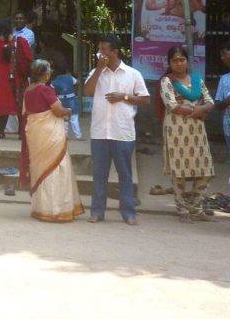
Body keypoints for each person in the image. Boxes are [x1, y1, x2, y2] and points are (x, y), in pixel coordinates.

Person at [83, 33, 150, 225]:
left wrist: (124, 97)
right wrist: (98, 70)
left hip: (123, 132)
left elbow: (145, 99)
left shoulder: (132, 74)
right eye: (99, 49)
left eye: (104, 49)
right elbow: (87, 92)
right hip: (99, 132)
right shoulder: (96, 72)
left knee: (125, 175)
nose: (100, 53)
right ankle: (97, 211)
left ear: (114, 51)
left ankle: (128, 212)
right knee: (99, 175)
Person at [21, 58, 84, 223]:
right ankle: (56, 209)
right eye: (48, 70)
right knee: (56, 168)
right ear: (43, 74)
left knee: (41, 169)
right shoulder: (46, 90)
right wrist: (69, 110)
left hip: (35, 133)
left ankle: (41, 209)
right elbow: (58, 111)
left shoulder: (28, 90)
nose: (50, 73)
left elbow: (26, 112)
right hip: (50, 134)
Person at [158, 45, 215, 222]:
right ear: (169, 63)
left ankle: (196, 208)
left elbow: (210, 101)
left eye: (182, 59)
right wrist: (196, 111)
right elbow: (171, 105)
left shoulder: (197, 80)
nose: (179, 63)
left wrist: (201, 109)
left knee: (205, 169)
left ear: (187, 61)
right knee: (180, 170)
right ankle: (182, 209)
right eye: (175, 60)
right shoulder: (166, 81)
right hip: (176, 129)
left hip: (197, 130)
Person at [0, 19, 32, 139]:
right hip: (17, 76)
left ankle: (0, 131)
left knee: (2, 103)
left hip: (2, 76)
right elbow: (29, 57)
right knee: (20, 103)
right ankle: (22, 133)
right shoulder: (19, 41)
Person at [50, 62, 81, 140]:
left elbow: (51, 89)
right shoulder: (70, 77)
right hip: (72, 100)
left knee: (64, 118)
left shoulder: (54, 81)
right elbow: (78, 82)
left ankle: (65, 135)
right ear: (67, 71)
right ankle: (78, 136)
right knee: (74, 118)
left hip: (61, 100)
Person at [214, 43, 230, 155]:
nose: (222, 58)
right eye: (221, 55)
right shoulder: (224, 80)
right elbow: (218, 105)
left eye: (224, 54)